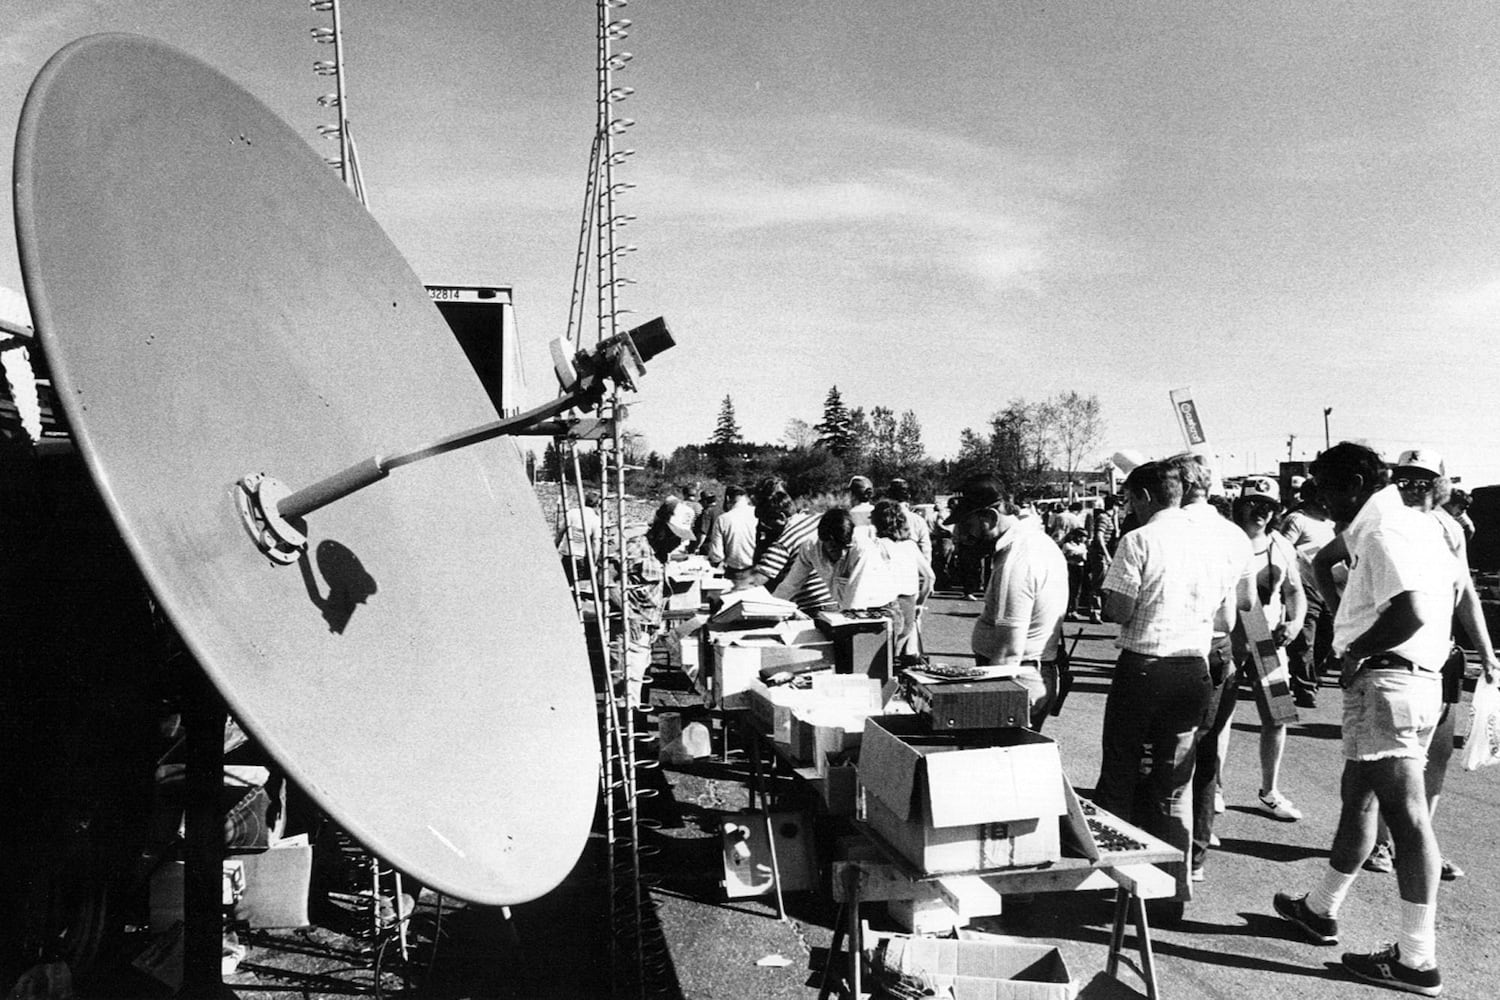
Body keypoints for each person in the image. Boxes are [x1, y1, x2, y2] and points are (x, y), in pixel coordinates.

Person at [1272, 442, 1464, 997]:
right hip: (1415, 677)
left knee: (1405, 819)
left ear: (1354, 482)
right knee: (1357, 794)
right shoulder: (1412, 520)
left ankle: (1416, 958)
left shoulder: (1381, 530)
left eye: (1326, 491)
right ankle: (1321, 908)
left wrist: (1357, 649)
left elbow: (1410, 612)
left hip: (1390, 679)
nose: (1321, 503)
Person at [1095, 460, 1246, 915]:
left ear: (1143, 497)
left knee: (1120, 775)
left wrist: (1107, 595)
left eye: (1129, 501)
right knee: (1175, 783)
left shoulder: (1139, 540)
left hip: (1144, 665)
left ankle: (1115, 881)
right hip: (1193, 670)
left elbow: (1117, 611)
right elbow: (1226, 618)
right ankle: (1173, 888)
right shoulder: (1218, 542)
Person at [1363, 449, 1500, 883]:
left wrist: (1487, 652)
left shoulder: (1450, 529)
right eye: (1405, 479)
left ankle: (1419, 843)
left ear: (1441, 484)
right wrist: (1354, 641)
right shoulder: (1381, 525)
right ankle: (1382, 843)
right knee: (1388, 761)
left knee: (1436, 755)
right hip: (1393, 660)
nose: (1414, 487)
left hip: (1441, 658)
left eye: (1424, 480)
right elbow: (1329, 567)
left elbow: (1465, 595)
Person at [1162, 452, 1253, 886]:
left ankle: (1161, 855)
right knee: (1206, 752)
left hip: (1176, 649)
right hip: (1219, 650)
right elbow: (1247, 602)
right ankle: (1195, 854)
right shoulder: (1235, 535)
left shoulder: (1167, 529)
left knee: (1166, 753)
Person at [947, 476, 1069, 731]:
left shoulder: (1017, 560)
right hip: (1028, 675)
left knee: (1001, 761)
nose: (962, 536)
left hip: (1016, 680)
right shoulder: (1034, 542)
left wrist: (985, 709)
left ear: (990, 517)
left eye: (967, 525)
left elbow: (1007, 652)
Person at [1226, 476, 1307, 823]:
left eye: (1269, 507)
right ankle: (1211, 786)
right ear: (1240, 505)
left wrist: (1296, 621)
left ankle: (1269, 791)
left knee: (1276, 716)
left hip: (1267, 638)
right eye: (1254, 504)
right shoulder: (1224, 540)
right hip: (1227, 636)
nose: (1260, 512)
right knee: (1219, 717)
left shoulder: (1281, 545)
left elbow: (1294, 591)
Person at [772, 508, 899, 614]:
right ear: (824, 541)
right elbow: (790, 585)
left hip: (881, 608)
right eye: (836, 548)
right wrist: (771, 609)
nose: (843, 553)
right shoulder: (810, 547)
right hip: (850, 607)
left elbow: (855, 598)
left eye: (846, 547)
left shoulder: (862, 548)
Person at [1278, 478, 1337, 708]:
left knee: (1329, 636)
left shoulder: (1329, 524)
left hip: (1329, 586)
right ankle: (1304, 686)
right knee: (1305, 639)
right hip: (1305, 586)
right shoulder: (1297, 519)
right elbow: (1284, 549)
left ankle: (1313, 677)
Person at [872, 499, 935, 664]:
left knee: (883, 660)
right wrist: (920, 603)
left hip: (887, 605)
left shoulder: (878, 546)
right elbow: (930, 577)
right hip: (909, 604)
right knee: (899, 651)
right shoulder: (910, 546)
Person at [705, 484, 758, 582]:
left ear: (728, 498)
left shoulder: (723, 519)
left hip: (734, 573)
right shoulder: (758, 514)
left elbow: (717, 555)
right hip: (758, 573)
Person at [555, 491, 602, 587]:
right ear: (598, 504)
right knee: (573, 584)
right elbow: (596, 543)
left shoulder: (572, 512)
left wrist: (554, 547)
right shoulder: (595, 519)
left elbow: (560, 531)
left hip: (566, 555)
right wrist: (594, 562)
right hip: (579, 558)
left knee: (563, 582)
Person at [884, 478, 932, 562]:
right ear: (908, 496)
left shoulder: (880, 518)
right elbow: (925, 549)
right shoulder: (918, 520)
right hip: (912, 567)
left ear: (889, 495)